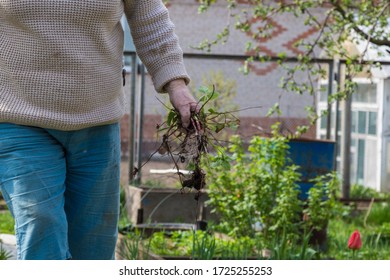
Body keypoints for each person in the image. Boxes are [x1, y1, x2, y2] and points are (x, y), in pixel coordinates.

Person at [0, 1, 199, 260]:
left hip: (97, 122)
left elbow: (149, 16)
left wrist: (176, 84)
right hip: (20, 118)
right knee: (41, 222)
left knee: (93, 243)